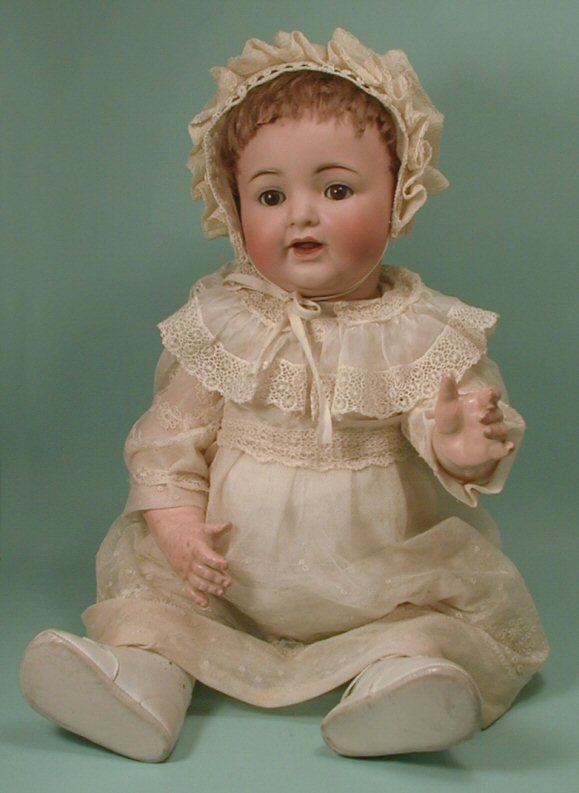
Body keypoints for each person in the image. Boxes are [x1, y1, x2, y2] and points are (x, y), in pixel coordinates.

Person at [19, 28, 549, 762]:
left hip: (377, 579)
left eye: (336, 190)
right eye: (270, 195)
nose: (301, 214)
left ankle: (397, 686)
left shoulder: (422, 330)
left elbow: (454, 417)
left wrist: (459, 447)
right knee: (158, 607)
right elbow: (166, 443)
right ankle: (141, 683)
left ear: (399, 197)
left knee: (423, 625)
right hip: (227, 578)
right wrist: (179, 532)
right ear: (234, 208)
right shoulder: (225, 321)